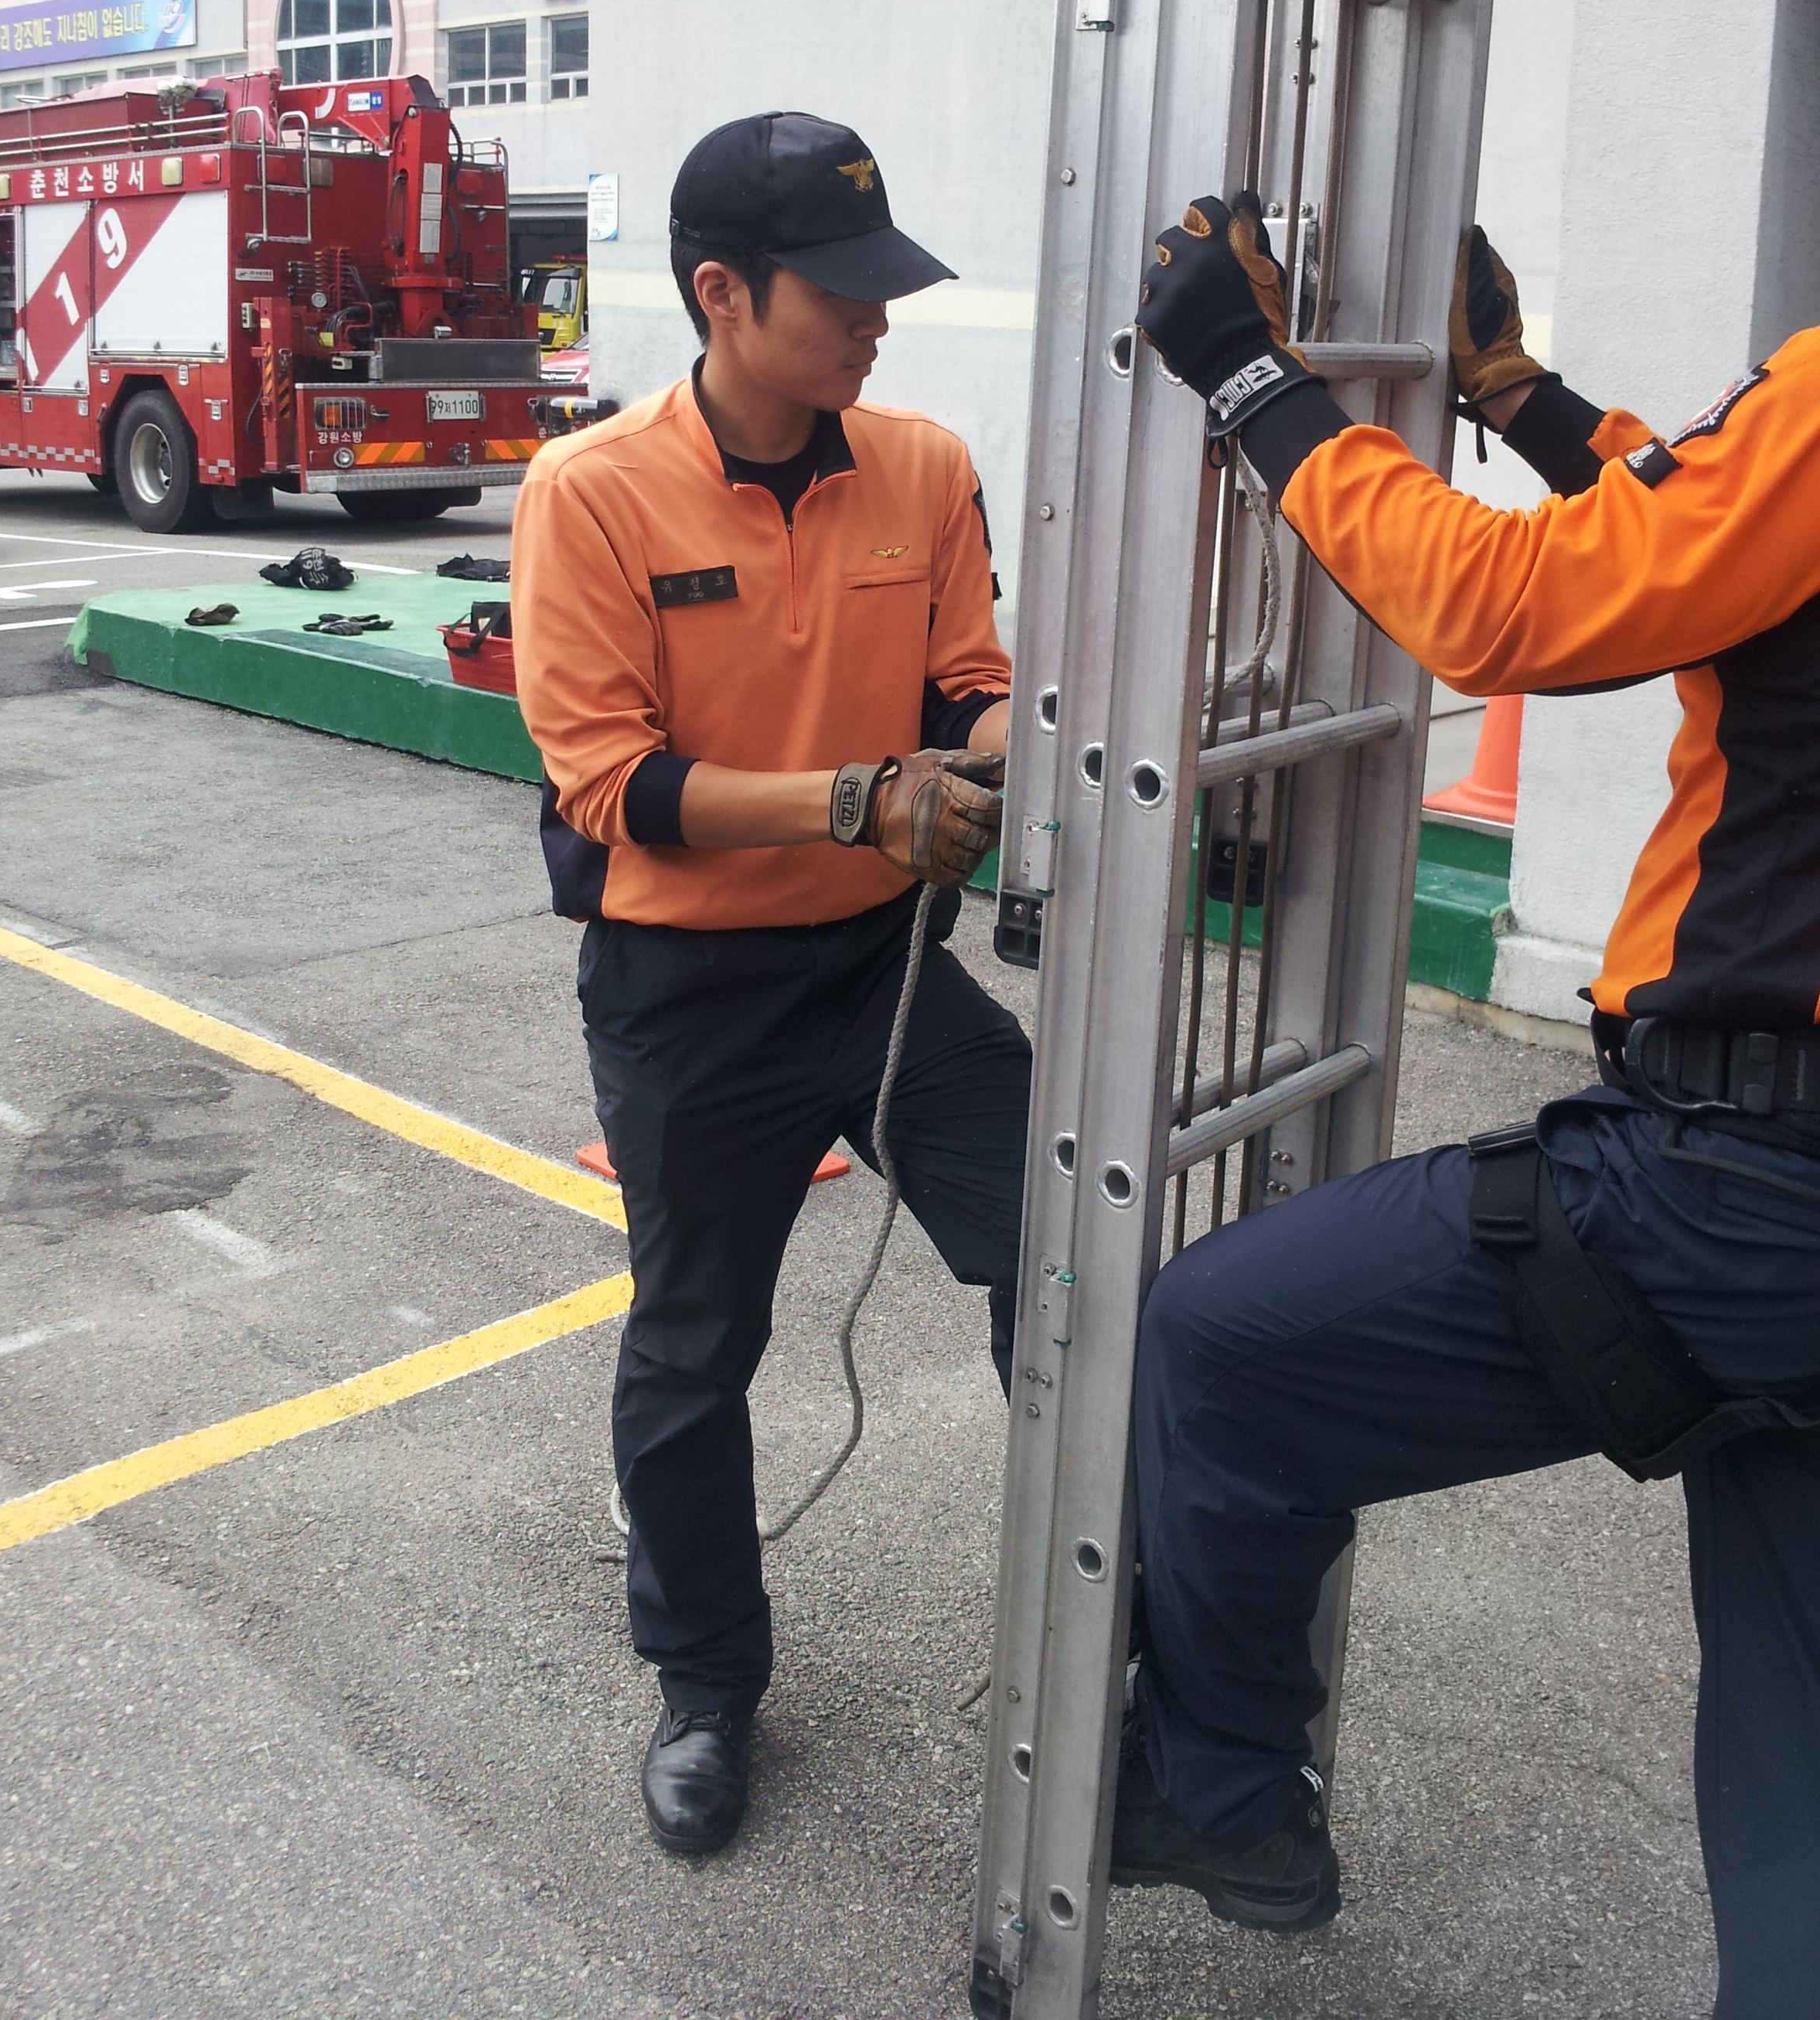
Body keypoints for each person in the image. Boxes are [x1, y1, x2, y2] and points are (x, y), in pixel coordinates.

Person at [1114, 191, 1820, 2013]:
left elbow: (1515, 606)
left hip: (1743, 1188)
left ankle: (1225, 1797)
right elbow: (1706, 550)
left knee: (1222, 1341)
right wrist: (1512, 393)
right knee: (1801, 1761)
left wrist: (1250, 379)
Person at [510, 111, 1030, 1858]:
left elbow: (968, 683)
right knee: (694, 1346)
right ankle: (706, 1681)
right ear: (723, 294)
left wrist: (1015, 746)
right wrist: (861, 803)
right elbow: (613, 783)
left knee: (1071, 1259)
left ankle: (1113, 1625)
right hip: (690, 992)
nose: (877, 321)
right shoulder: (591, 491)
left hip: (886, 976)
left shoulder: (926, 468)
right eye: (842, 292)